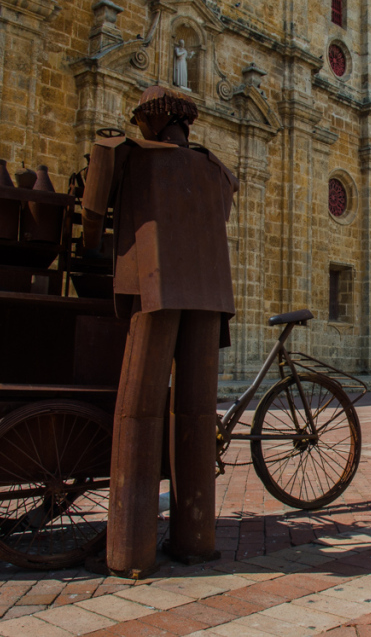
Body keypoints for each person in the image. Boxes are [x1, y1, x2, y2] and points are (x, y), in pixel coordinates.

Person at [82, 85, 238, 577]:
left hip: (156, 286)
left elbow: (91, 217)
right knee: (194, 414)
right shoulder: (219, 169)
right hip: (210, 293)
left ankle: (131, 552)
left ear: (151, 118)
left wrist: (95, 247)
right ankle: (195, 540)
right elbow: (215, 215)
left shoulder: (123, 152)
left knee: (140, 412)